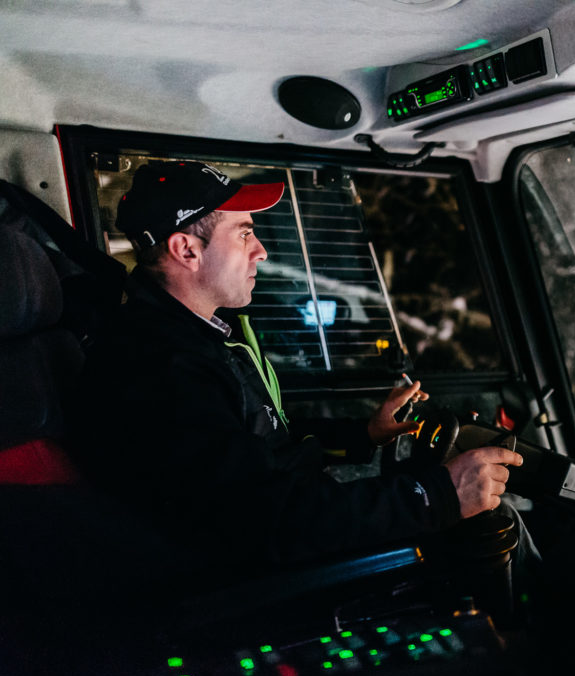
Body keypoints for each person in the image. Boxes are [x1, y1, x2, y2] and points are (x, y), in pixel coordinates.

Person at [71, 160, 523, 574]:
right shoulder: (158, 368)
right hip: (246, 585)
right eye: (245, 233)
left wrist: (364, 434)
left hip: (273, 542)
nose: (262, 250)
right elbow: (265, 521)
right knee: (487, 544)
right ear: (187, 250)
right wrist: (436, 497)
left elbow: (260, 442)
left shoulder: (193, 337)